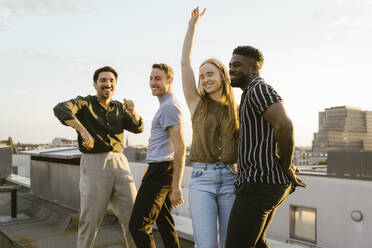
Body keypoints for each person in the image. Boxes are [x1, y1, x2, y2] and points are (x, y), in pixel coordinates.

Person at [225, 46, 307, 248]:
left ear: (255, 68)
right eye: (230, 65)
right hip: (261, 184)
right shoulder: (249, 93)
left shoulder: (258, 89)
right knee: (258, 243)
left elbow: (285, 126)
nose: (231, 70)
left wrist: (286, 165)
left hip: (259, 186)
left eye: (237, 65)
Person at [53, 66, 143, 248]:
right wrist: (83, 130)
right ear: (95, 84)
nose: (107, 84)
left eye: (111, 81)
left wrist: (133, 112)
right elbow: (60, 109)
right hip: (94, 163)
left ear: (115, 85)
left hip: (120, 162)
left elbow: (138, 128)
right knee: (90, 220)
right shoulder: (85, 103)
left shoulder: (119, 107)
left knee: (133, 217)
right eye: (103, 80)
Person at [181, 7, 239, 248]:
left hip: (231, 179)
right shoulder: (196, 104)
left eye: (210, 74)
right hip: (202, 179)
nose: (205, 79)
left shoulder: (237, 109)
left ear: (223, 76)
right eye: (202, 76)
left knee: (229, 243)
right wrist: (192, 27)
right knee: (206, 245)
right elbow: (185, 64)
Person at [129, 63, 186, 248]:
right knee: (164, 221)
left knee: (138, 225)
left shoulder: (169, 107)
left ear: (170, 80)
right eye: (151, 78)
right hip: (159, 168)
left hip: (161, 172)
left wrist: (177, 185)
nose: (153, 83)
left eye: (158, 79)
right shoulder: (166, 105)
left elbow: (180, 146)